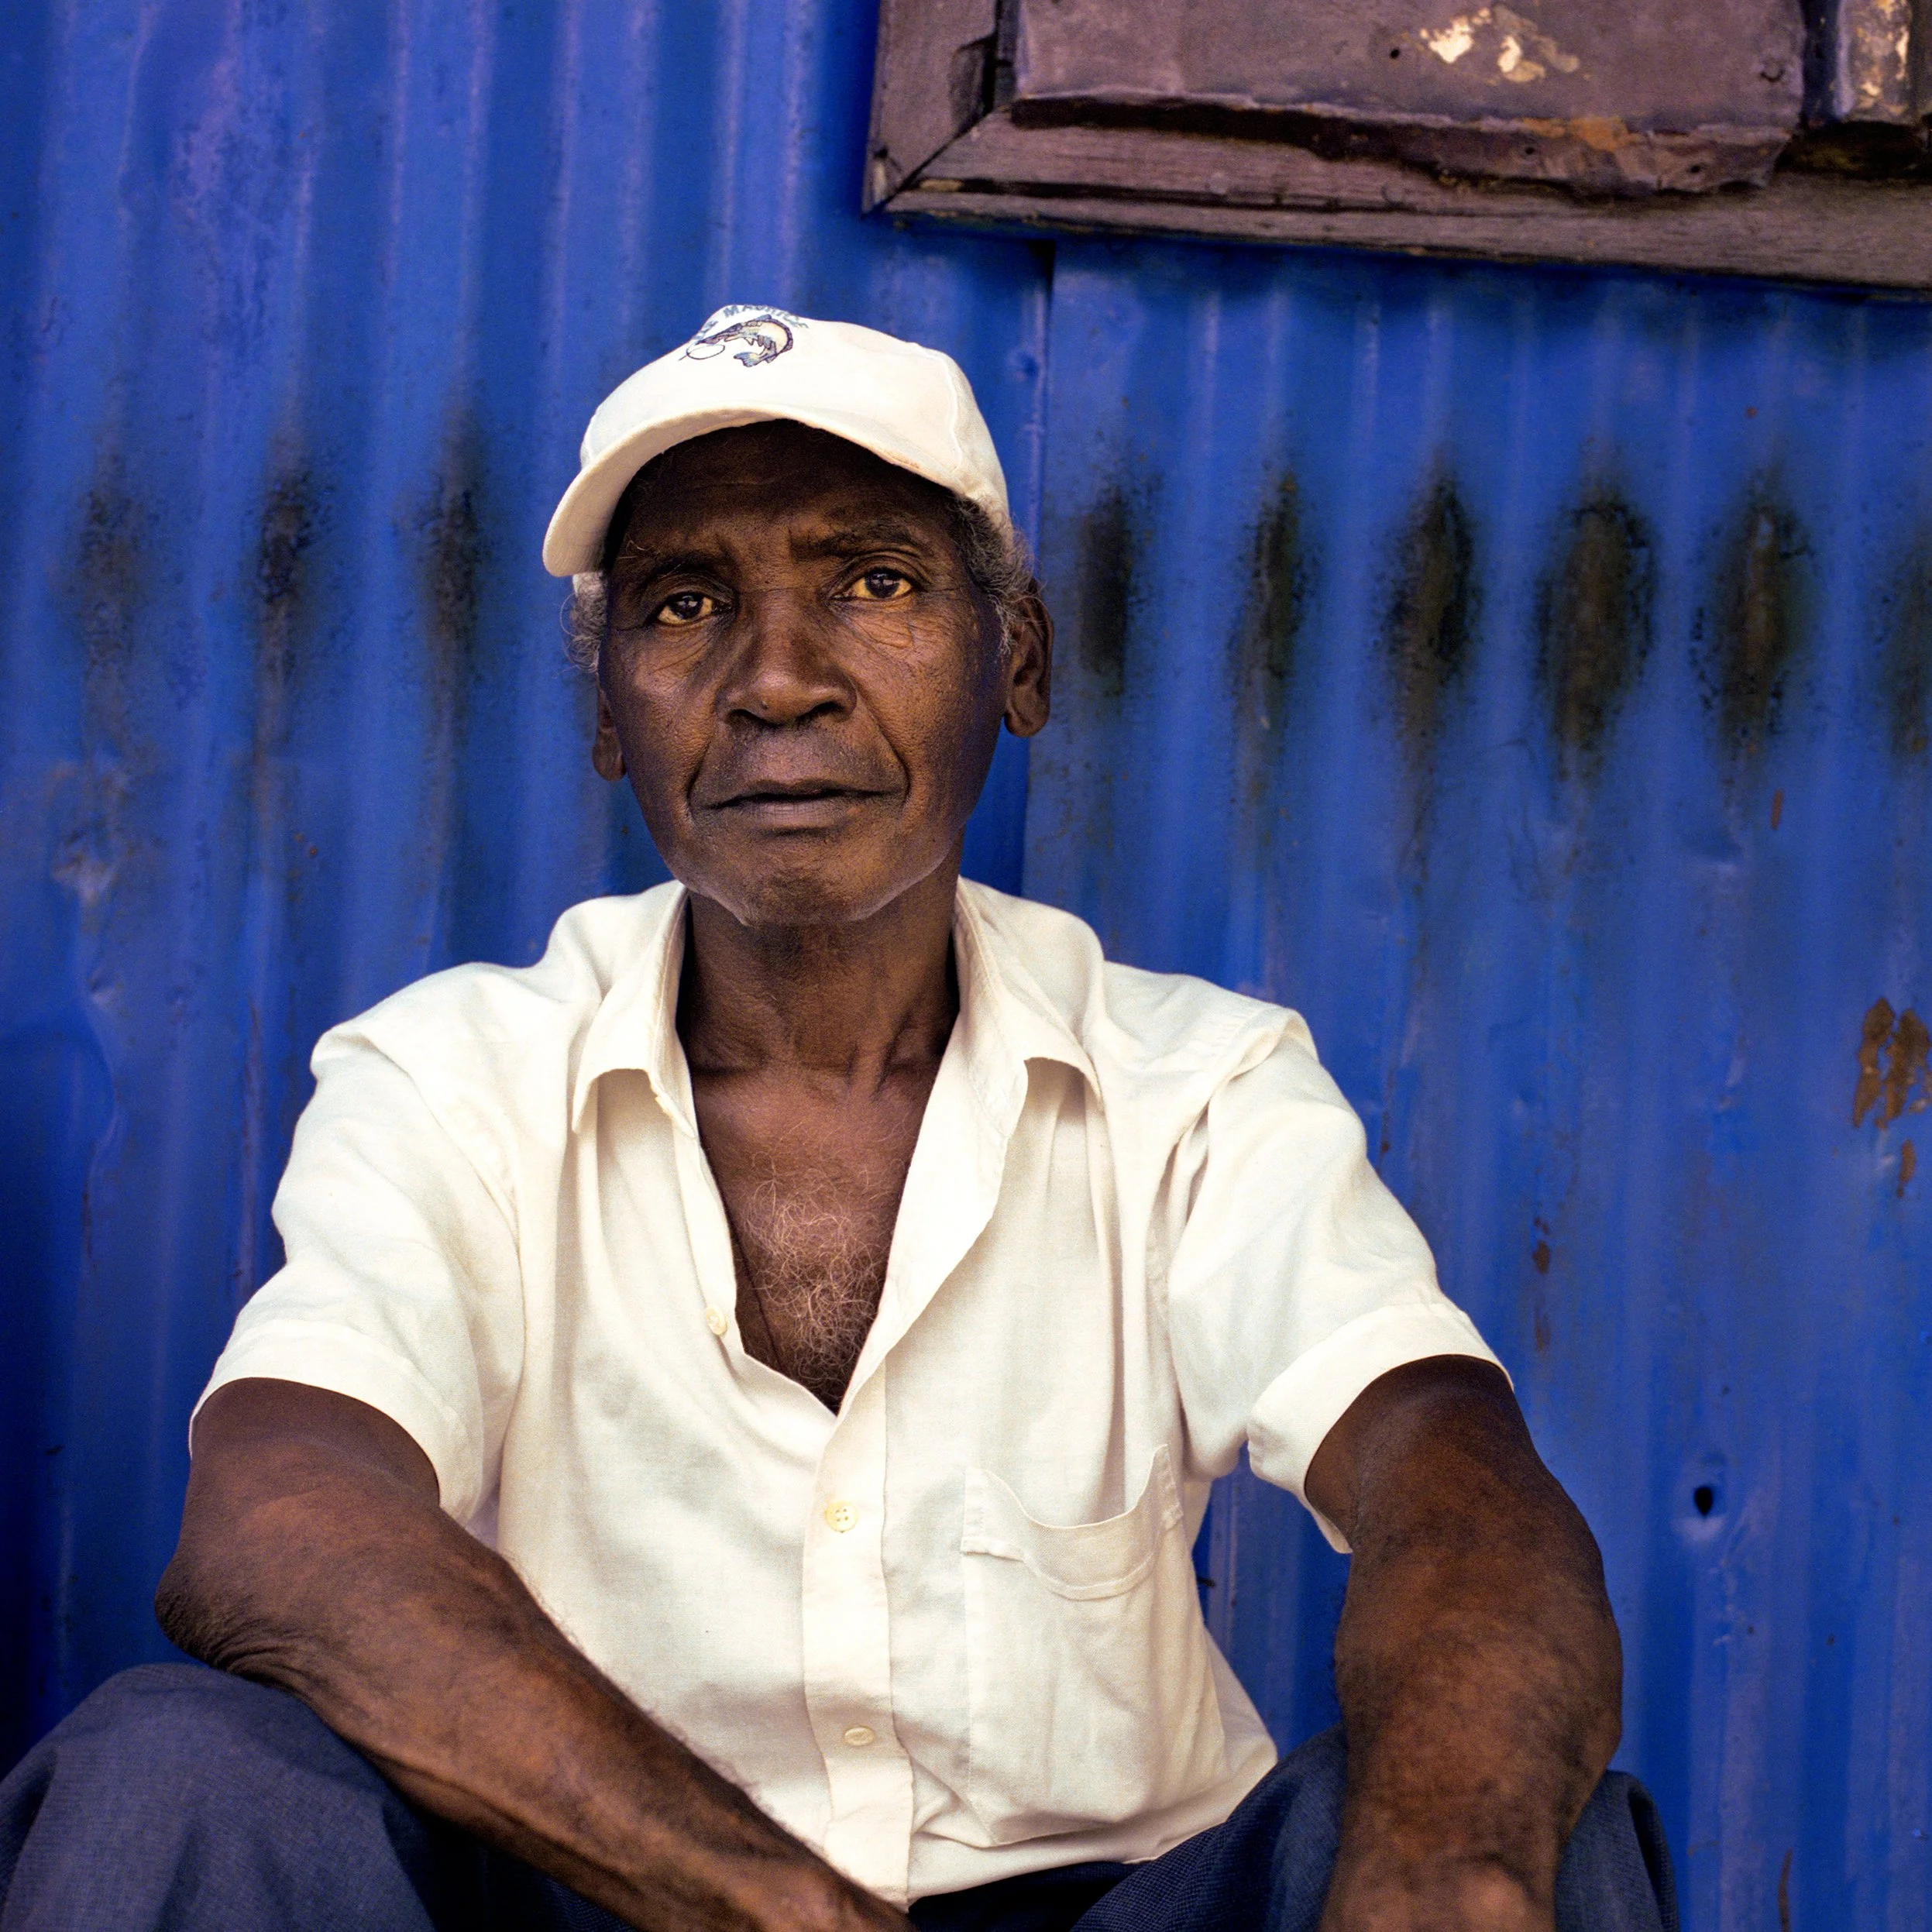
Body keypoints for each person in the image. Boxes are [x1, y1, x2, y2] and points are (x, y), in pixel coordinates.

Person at [0, 308, 1674, 1932]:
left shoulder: (1195, 1086)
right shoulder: (451, 1077)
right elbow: (278, 1516)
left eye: (872, 583)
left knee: (1527, 1806)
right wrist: (773, 1909)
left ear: (1012, 657)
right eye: (680, 604)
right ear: (606, 712)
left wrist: (1447, 1868)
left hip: (1104, 1901)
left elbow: (1452, 1484)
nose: (776, 679)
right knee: (177, 1771)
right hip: (617, 1889)